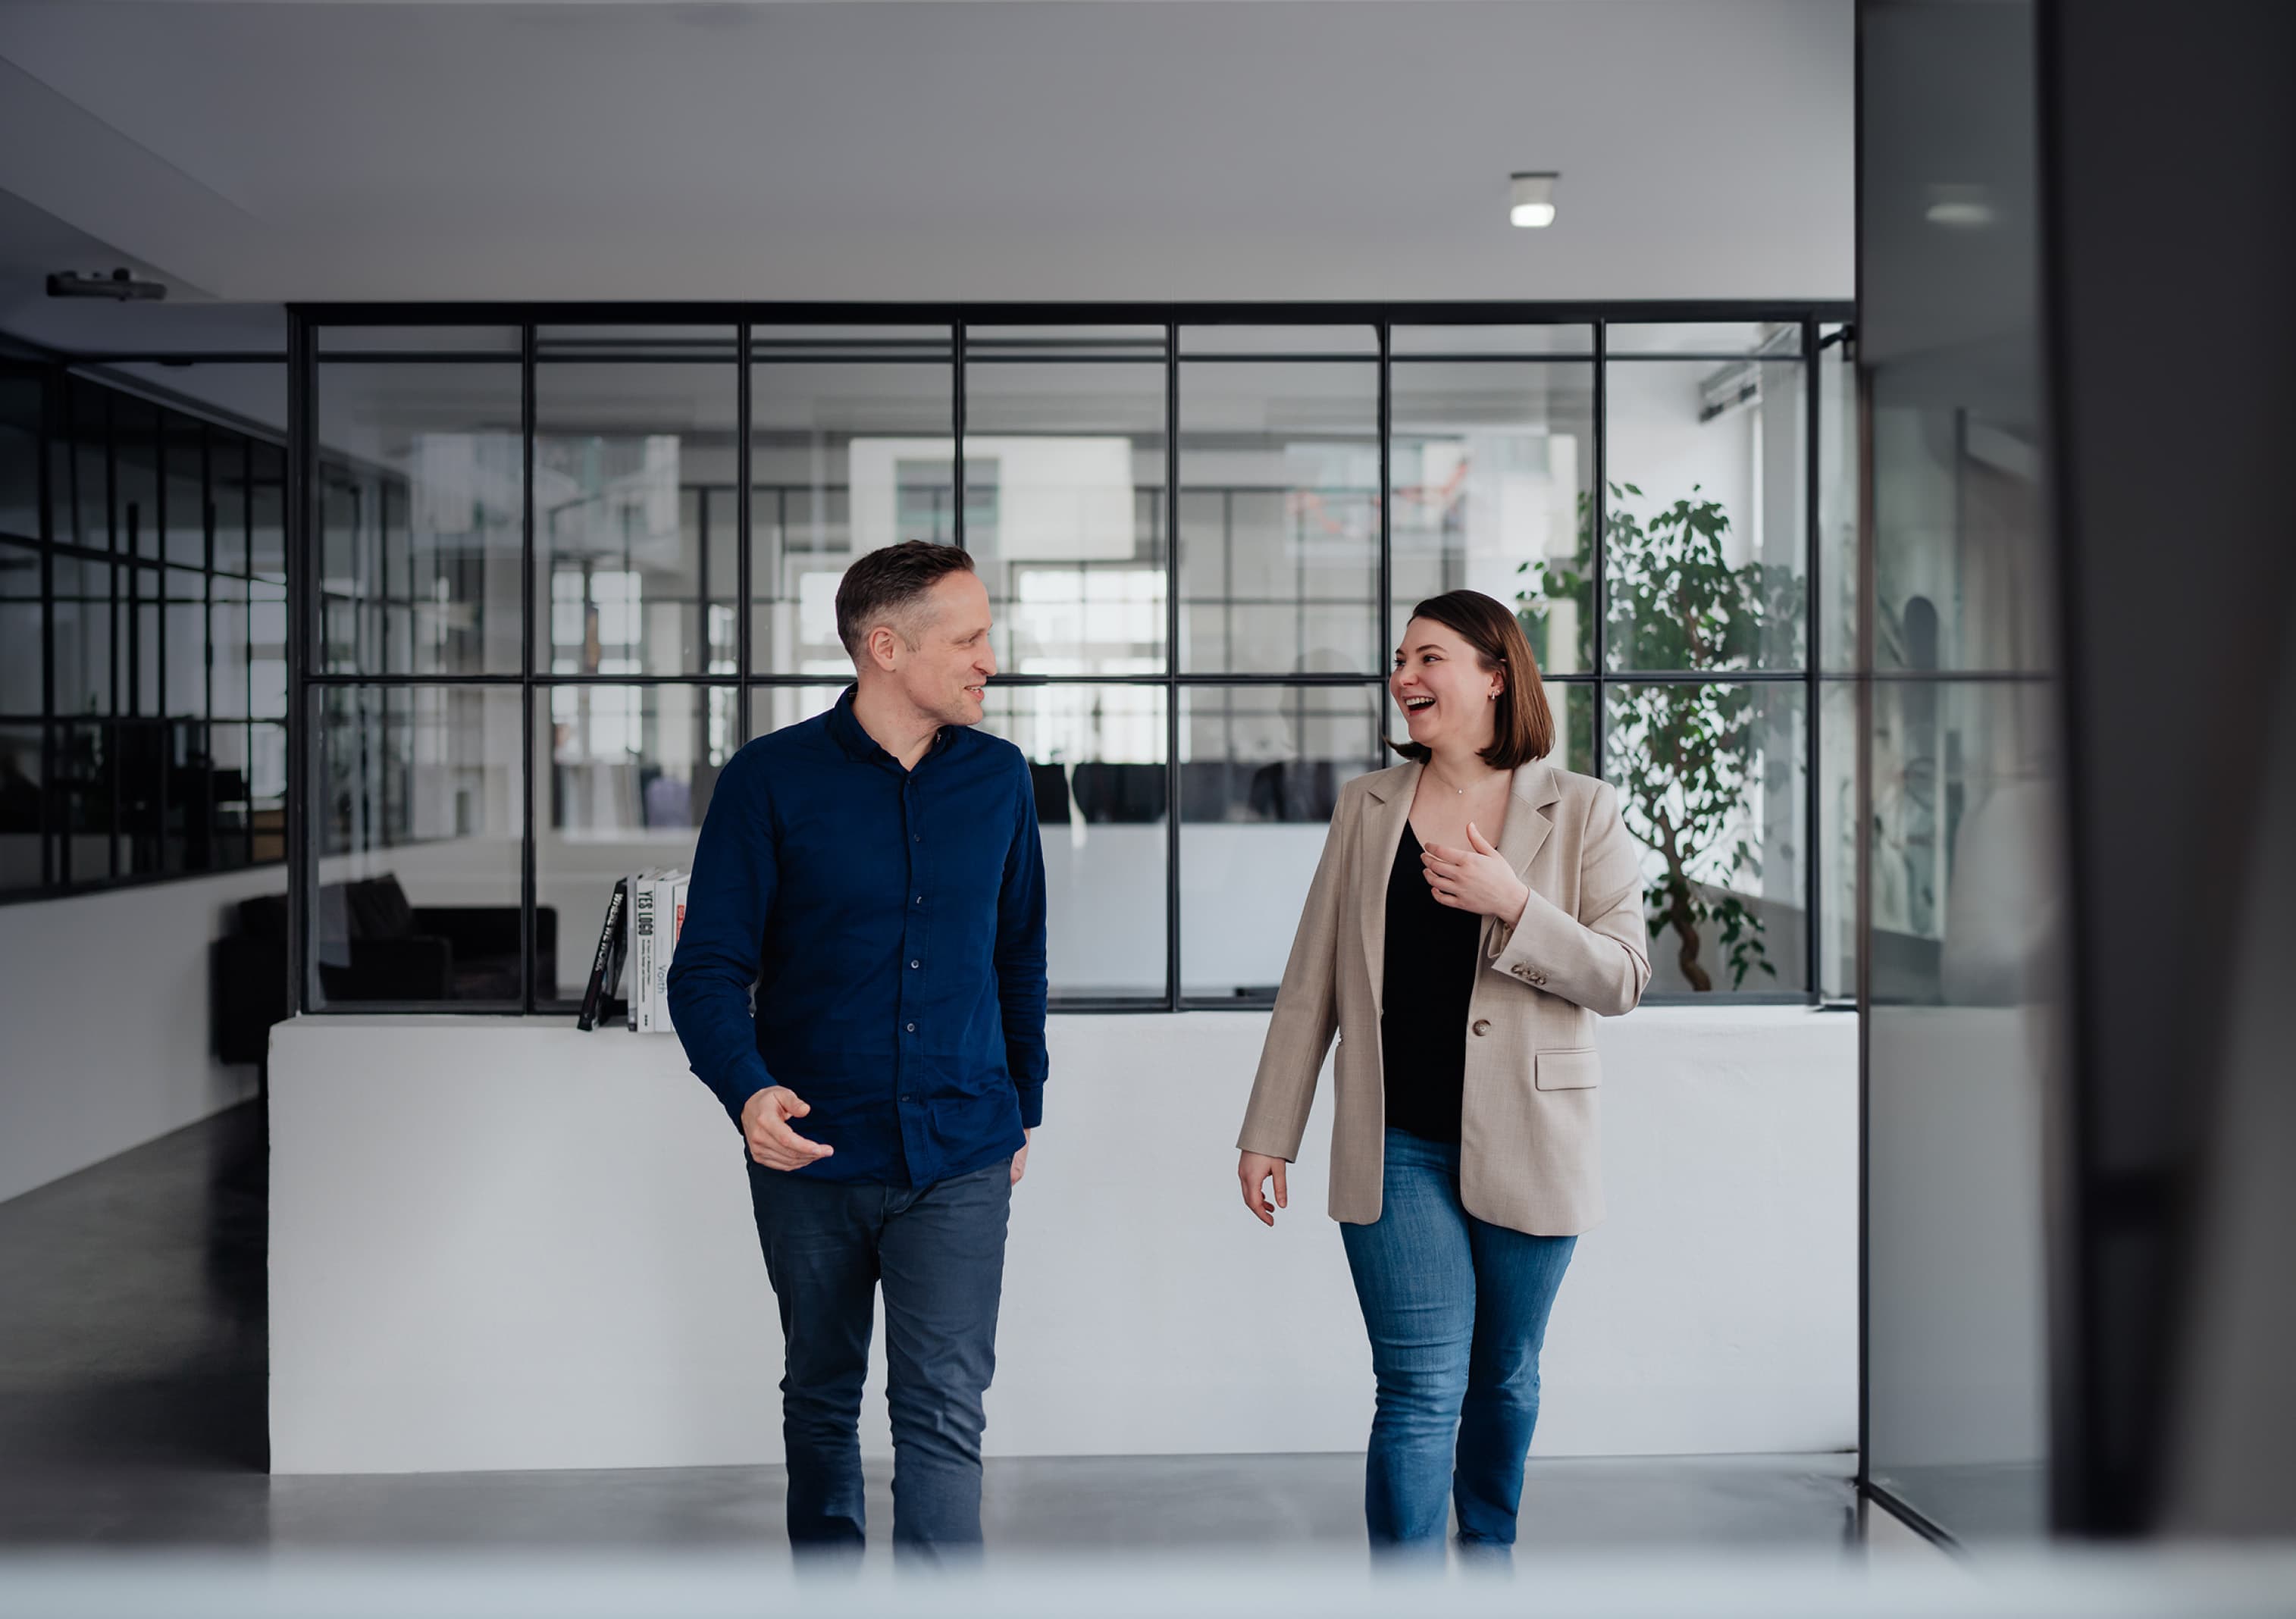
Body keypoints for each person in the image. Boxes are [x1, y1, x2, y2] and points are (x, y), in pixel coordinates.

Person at [1234, 588, 1649, 1560]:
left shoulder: (1581, 809)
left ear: (1494, 676)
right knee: (1418, 1385)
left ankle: (1489, 1551)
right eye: (1400, 660)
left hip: (1531, 1142)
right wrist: (1268, 1130)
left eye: (1428, 659)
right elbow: (1310, 984)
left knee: (1502, 1374)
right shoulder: (1366, 806)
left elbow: (1624, 977)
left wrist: (1514, 906)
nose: (1404, 678)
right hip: (1394, 1144)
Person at [666, 540, 1046, 1559]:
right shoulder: (768, 781)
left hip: (961, 1149)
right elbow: (703, 970)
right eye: (967, 638)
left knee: (942, 1414)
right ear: (886, 647)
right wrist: (746, 1094)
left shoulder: (1001, 780)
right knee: (823, 1398)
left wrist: (1024, 1108)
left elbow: (1019, 960)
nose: (988, 660)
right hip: (812, 1153)